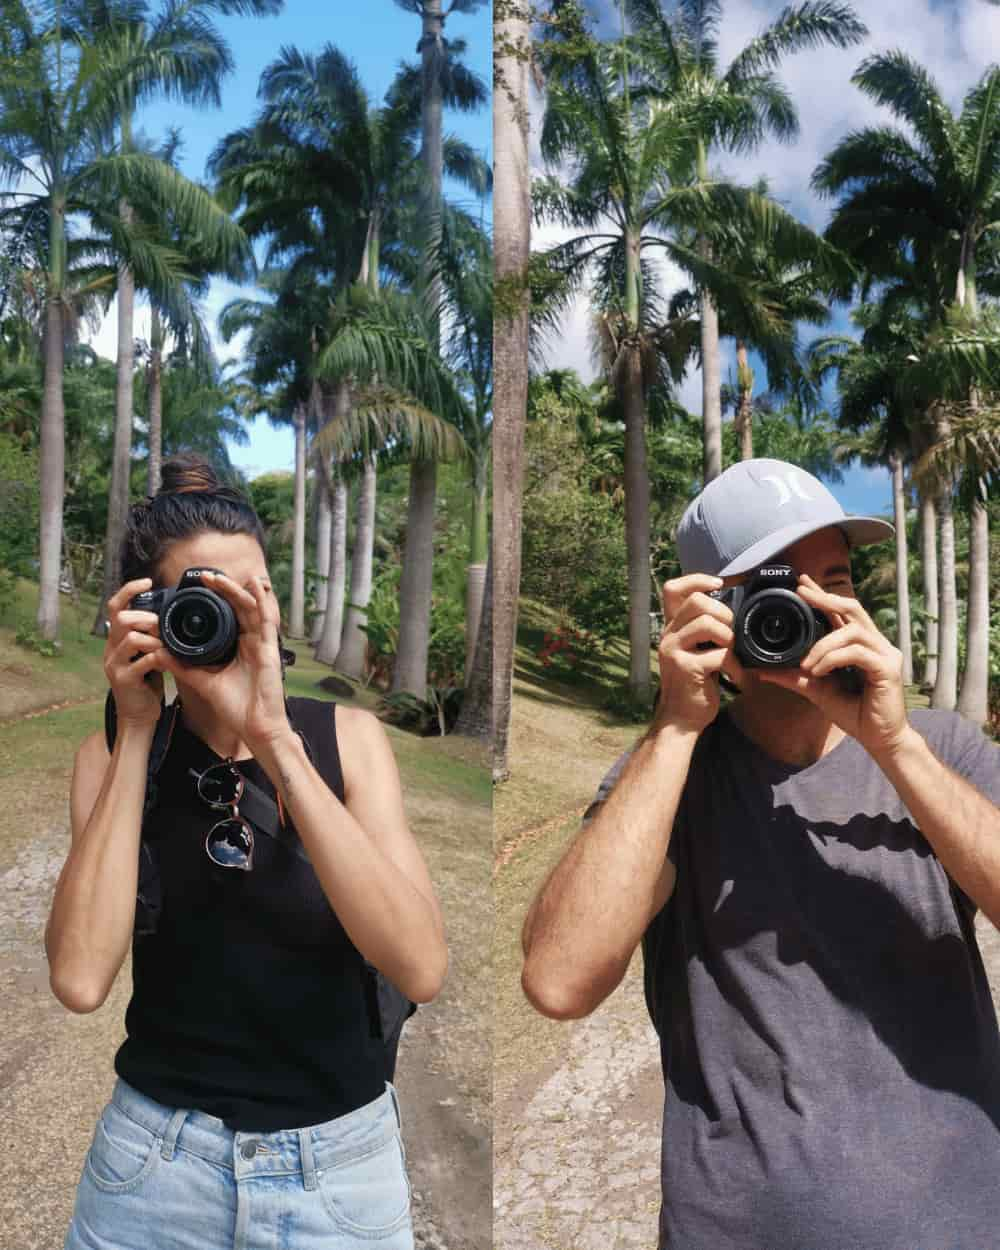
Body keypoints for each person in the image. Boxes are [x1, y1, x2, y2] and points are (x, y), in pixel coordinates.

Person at [521, 458, 1000, 1250]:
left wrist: (893, 745)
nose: (807, 608)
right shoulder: (671, 778)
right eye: (774, 584)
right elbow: (558, 981)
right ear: (707, 607)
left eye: (833, 580)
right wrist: (676, 722)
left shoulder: (939, 748)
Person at [47, 454, 447, 1250]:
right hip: (153, 1166)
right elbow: (80, 978)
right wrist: (133, 729)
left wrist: (273, 739)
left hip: (339, 1168)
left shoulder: (349, 741)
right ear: (148, 613)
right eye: (199, 596)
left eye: (247, 591)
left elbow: (421, 966)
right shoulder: (114, 754)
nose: (226, 615)